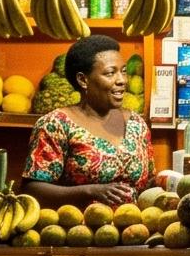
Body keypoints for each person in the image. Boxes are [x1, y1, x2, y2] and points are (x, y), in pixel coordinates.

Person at [24, 34, 146, 207]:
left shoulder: (136, 123)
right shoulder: (56, 124)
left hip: (133, 229)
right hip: (77, 230)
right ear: (83, 79)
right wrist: (90, 191)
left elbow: (149, 184)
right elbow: (33, 189)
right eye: (110, 73)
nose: (122, 80)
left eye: (123, 71)